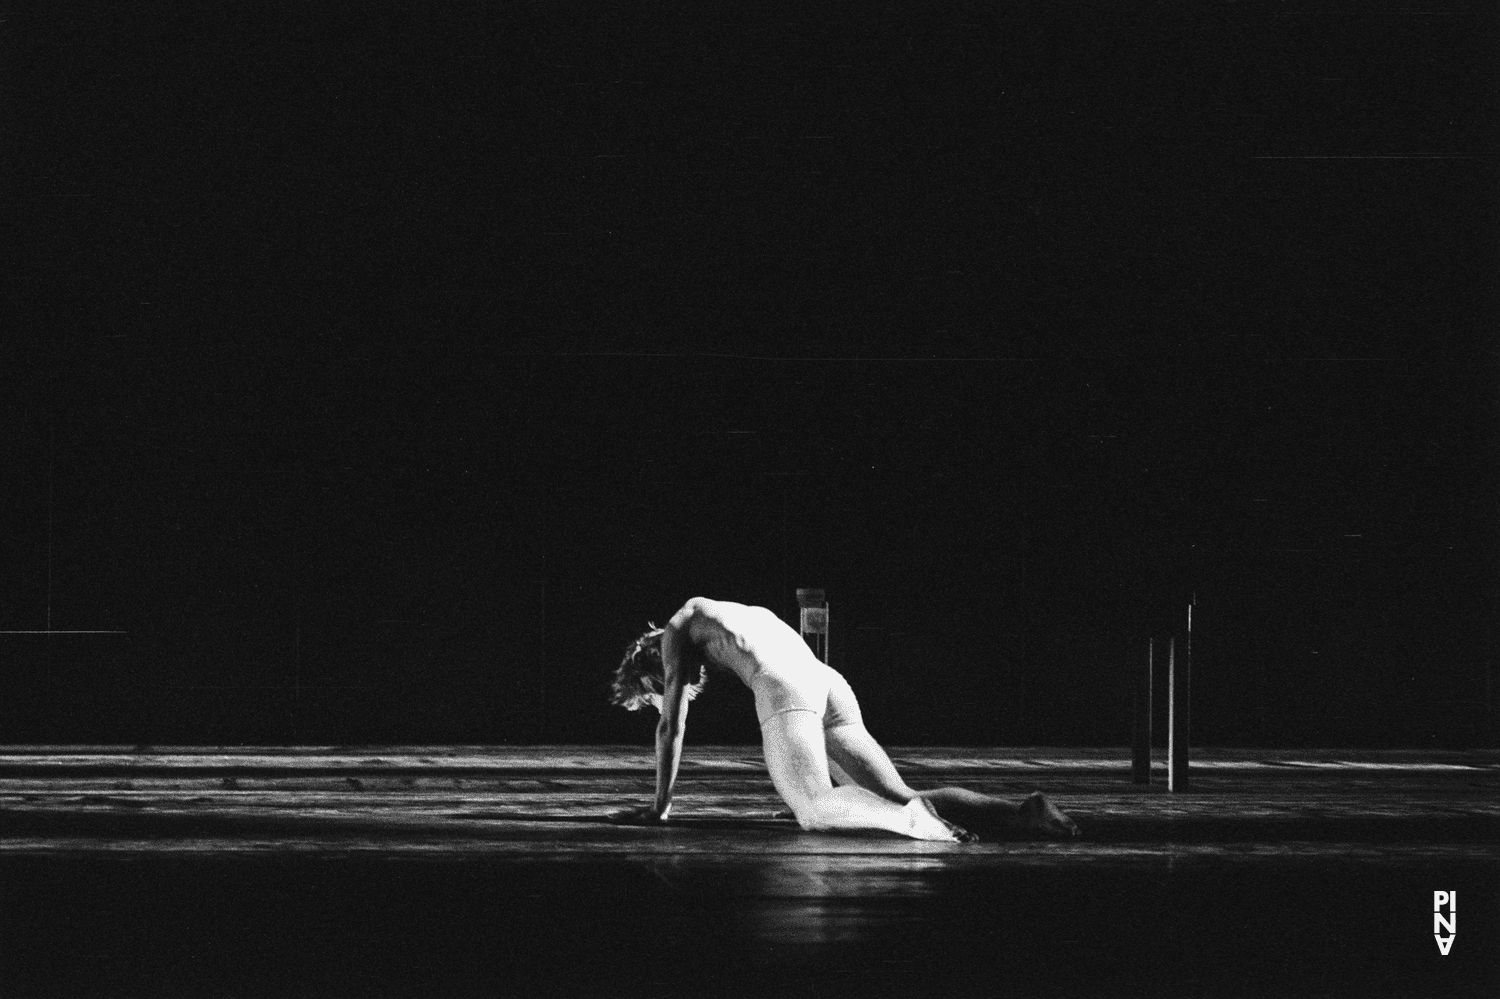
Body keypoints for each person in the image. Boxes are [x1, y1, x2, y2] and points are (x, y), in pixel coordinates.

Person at [608, 597, 1080, 842]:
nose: (679, 687)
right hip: (826, 680)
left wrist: (659, 809)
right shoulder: (728, 613)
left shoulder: (677, 630)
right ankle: (1021, 812)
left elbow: (672, 726)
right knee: (900, 792)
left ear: (648, 661)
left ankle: (917, 825)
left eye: (656, 689)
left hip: (786, 684)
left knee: (814, 809)